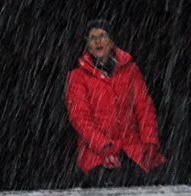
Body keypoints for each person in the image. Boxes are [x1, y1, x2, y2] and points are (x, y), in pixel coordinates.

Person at [65, 20, 167, 184]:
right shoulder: (78, 76)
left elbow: (144, 108)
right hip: (97, 154)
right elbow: (80, 118)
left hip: (133, 149)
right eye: (93, 38)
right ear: (88, 46)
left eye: (103, 36)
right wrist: (103, 146)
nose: (98, 41)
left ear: (112, 42)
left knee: (158, 183)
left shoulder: (131, 70)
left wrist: (150, 142)